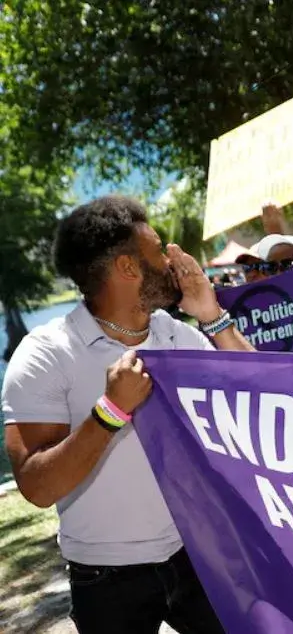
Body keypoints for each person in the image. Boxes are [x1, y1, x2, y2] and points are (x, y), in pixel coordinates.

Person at [2, 196, 255, 634]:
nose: (173, 256)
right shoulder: (46, 354)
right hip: (105, 578)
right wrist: (110, 411)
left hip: (195, 555)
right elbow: (36, 486)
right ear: (127, 268)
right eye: (158, 248)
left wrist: (211, 314)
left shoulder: (174, 333)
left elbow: (260, 393)